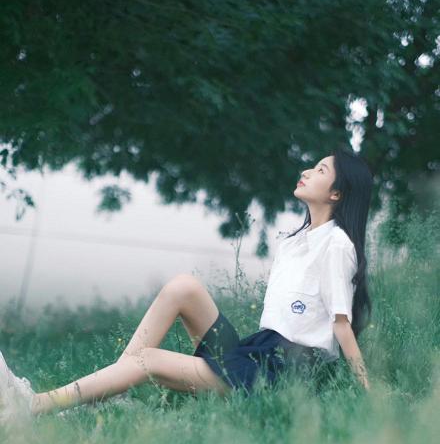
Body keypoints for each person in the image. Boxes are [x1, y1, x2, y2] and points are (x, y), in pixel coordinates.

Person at [0, 146, 372, 425]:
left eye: (320, 170)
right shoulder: (295, 241)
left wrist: (367, 396)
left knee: (148, 360)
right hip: (257, 353)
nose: (306, 171)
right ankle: (107, 391)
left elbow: (341, 325)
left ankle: (34, 406)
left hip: (285, 373)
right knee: (184, 287)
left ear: (337, 193)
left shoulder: (337, 245)